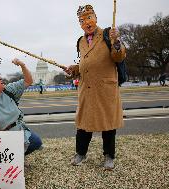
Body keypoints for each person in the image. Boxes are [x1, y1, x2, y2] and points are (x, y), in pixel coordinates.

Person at [65, 4, 126, 170]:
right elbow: (85, 63)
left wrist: (117, 42)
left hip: (105, 89)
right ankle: (80, 153)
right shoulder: (81, 41)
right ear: (80, 24)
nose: (86, 22)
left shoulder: (108, 34)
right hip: (87, 89)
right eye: (82, 20)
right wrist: (74, 69)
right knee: (84, 125)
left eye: (89, 18)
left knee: (108, 126)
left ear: (96, 18)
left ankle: (109, 156)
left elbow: (118, 57)